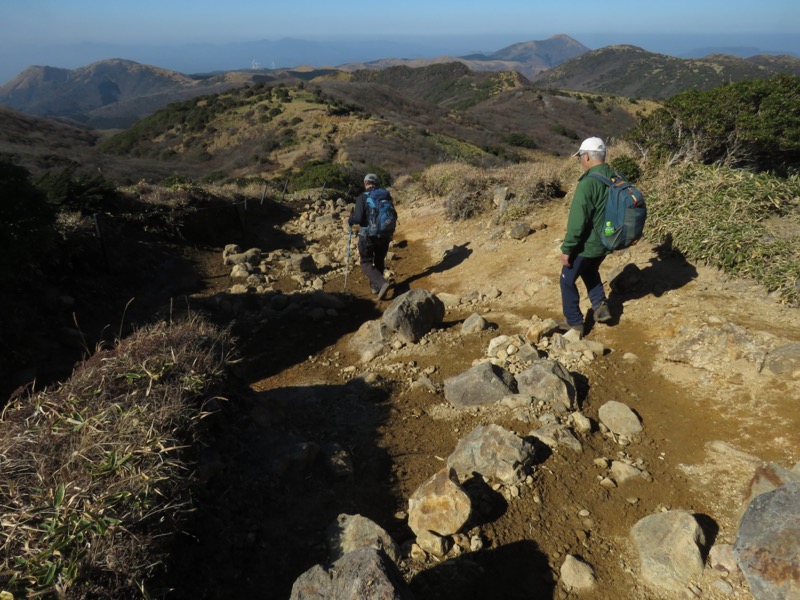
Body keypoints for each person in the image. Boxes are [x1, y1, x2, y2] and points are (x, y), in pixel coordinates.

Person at [559, 137, 614, 336]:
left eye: (580, 157)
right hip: (608, 240)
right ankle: (600, 307)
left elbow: (577, 221)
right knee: (589, 270)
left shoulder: (588, 183)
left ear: (588, 156)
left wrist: (567, 249)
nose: (580, 161)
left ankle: (574, 323)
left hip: (588, 243)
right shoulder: (614, 176)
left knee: (567, 280)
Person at [348, 173, 393, 300]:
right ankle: (376, 288)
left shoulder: (362, 197)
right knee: (379, 259)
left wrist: (350, 220)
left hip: (368, 235)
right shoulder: (386, 195)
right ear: (377, 183)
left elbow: (357, 218)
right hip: (384, 234)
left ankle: (382, 283)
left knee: (365, 262)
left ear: (365, 183)